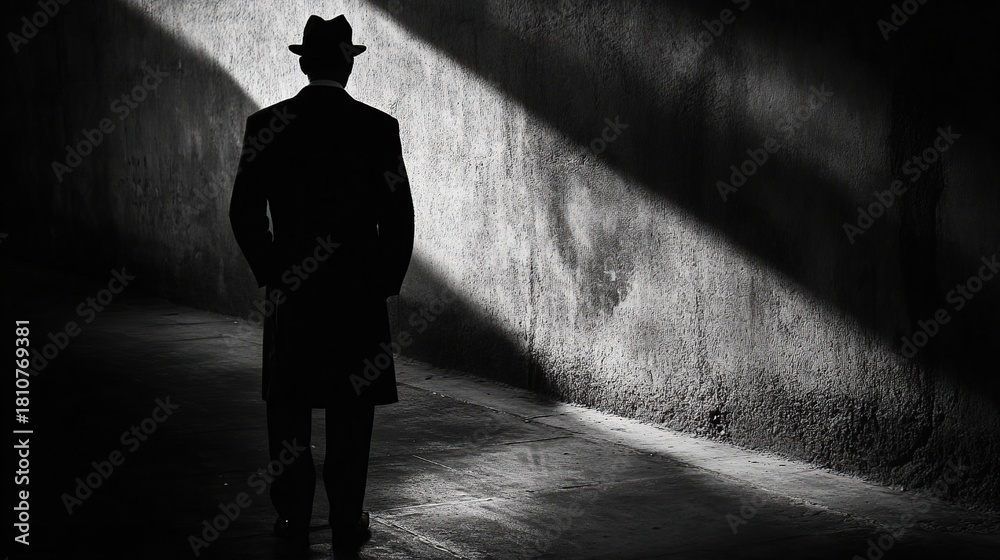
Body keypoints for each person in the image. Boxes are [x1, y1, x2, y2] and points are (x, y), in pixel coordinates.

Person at [228, 14, 414, 556]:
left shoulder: (266, 125)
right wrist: (382, 281)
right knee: (351, 414)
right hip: (356, 298)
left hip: (293, 296)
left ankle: (291, 519)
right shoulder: (379, 128)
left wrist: (274, 274)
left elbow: (243, 213)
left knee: (289, 410)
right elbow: (399, 216)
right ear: (346, 63)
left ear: (306, 63)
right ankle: (346, 519)